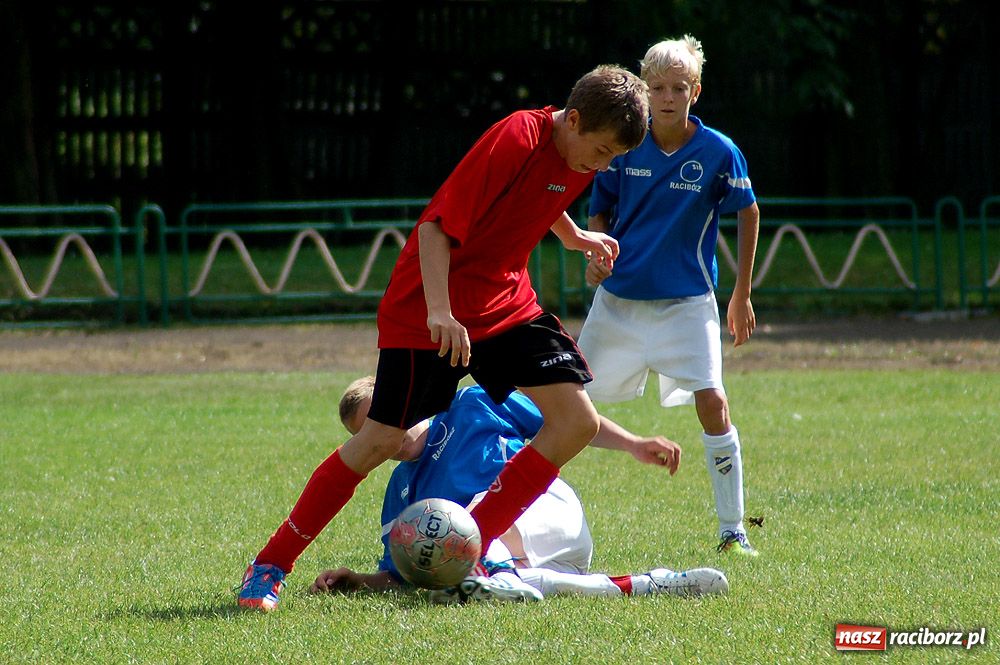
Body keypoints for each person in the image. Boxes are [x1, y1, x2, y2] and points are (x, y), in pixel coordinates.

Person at [237, 65, 650, 611]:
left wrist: (575, 237)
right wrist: (441, 312)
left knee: (577, 421)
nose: (600, 166)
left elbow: (541, 197)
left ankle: (469, 549)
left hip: (503, 303)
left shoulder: (576, 150)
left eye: (610, 159)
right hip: (428, 306)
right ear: (572, 119)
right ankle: (270, 565)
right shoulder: (516, 139)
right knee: (381, 439)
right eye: (599, 153)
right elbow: (435, 227)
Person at [577, 36, 762, 556]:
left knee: (713, 402)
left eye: (677, 87)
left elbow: (748, 212)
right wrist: (597, 252)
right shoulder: (622, 144)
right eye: (656, 86)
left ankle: (733, 529)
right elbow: (599, 212)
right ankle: (516, 514)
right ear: (643, 89)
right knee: (563, 403)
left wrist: (741, 293)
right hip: (618, 303)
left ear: (694, 92)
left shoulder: (718, 151)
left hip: (687, 304)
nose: (665, 96)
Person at [309, 377, 728, 603]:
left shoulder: (472, 403)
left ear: (402, 404)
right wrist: (361, 580)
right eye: (365, 438)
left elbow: (569, 420)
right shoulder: (399, 499)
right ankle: (644, 584)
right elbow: (409, 575)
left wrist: (633, 443)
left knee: (456, 523)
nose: (383, 439)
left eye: (381, 423)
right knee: (453, 579)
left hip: (550, 512)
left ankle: (497, 575)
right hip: (543, 566)